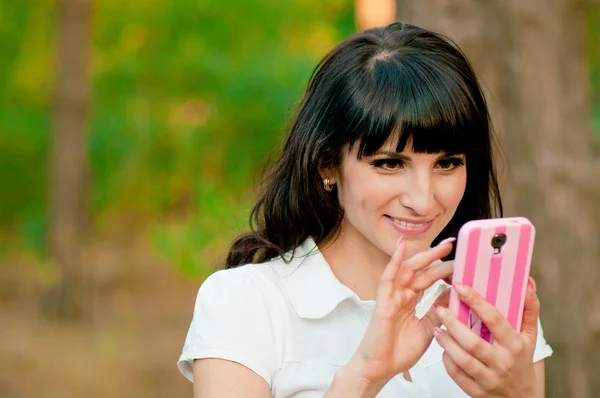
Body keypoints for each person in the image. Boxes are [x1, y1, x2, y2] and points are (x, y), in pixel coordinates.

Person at [177, 22, 553, 398]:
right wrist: (364, 377)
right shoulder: (246, 303)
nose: (422, 200)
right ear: (327, 164)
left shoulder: (493, 310)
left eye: (447, 163)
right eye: (389, 164)